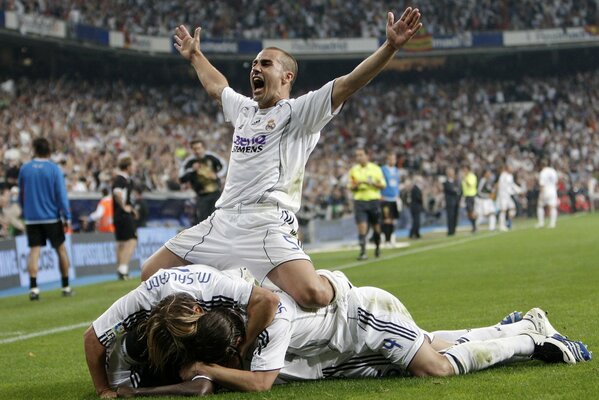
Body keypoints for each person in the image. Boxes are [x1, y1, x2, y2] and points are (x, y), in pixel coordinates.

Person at [140, 7, 423, 309]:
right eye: (253, 64)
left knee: (313, 296)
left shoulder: (299, 112)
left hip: (266, 221)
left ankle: (338, 283)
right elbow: (216, 87)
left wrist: (390, 47)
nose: (255, 69)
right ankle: (232, 295)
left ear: (287, 76)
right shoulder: (245, 109)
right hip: (221, 220)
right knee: (151, 275)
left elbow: (349, 83)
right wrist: (196, 55)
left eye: (265, 63)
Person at [134, 286, 590, 396]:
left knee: (436, 367)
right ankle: (514, 327)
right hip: (339, 351)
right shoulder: (231, 305)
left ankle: (529, 340)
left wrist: (207, 370)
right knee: (429, 343)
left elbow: (260, 383)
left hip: (363, 318)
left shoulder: (266, 320)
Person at [83, 264, 279, 398]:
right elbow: (93, 337)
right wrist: (103, 390)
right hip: (136, 350)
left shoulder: (216, 288)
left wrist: (243, 348)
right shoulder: (143, 300)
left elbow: (268, 301)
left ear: (199, 310)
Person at [18, 137, 72, 300]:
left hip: (32, 218)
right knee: (61, 250)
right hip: (51, 217)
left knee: (34, 251)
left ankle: (33, 288)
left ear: (34, 149)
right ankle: (66, 286)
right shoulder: (54, 169)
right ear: (48, 150)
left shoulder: (25, 169)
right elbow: (61, 195)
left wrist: (25, 210)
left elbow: (21, 194)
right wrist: (67, 215)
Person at [348, 148, 386, 260]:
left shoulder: (376, 169)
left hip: (373, 200)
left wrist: (372, 183)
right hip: (360, 201)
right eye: (357, 155)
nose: (359, 157)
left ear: (367, 156)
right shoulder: (354, 170)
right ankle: (363, 252)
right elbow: (351, 186)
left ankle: (377, 248)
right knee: (362, 226)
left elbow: (383, 184)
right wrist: (358, 184)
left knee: (376, 227)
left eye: (361, 155)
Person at [179, 139, 225, 224]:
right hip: (201, 195)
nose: (197, 151)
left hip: (216, 193)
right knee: (203, 221)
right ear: (192, 150)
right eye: (194, 149)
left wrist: (217, 175)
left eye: (199, 148)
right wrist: (192, 169)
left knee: (217, 220)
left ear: (203, 148)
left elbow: (224, 166)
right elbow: (181, 177)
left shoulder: (212, 157)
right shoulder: (189, 162)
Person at [112, 155, 138, 280]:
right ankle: (123, 268)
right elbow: (117, 193)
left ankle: (121, 270)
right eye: (133, 165)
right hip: (122, 215)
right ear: (128, 167)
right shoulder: (121, 179)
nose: (134, 168)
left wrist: (131, 209)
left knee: (121, 242)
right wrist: (124, 207)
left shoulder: (125, 179)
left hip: (118, 215)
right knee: (132, 240)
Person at [380, 152, 401, 247]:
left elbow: (397, 184)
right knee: (386, 219)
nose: (393, 160)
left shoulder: (396, 170)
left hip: (394, 198)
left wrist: (398, 195)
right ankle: (385, 238)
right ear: (387, 159)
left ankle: (392, 238)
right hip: (385, 198)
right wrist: (380, 194)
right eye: (391, 159)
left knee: (392, 219)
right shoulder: (383, 170)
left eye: (394, 159)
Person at [496, 164, 521, 232]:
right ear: (507, 169)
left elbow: (512, 185)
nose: (512, 169)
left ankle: (508, 223)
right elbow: (500, 185)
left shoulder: (510, 176)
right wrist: (499, 195)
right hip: (503, 195)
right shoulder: (503, 175)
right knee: (503, 210)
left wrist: (519, 190)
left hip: (508, 195)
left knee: (513, 208)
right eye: (511, 168)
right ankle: (501, 225)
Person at [536, 160, 559, 229]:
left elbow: (542, 184)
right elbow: (556, 182)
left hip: (545, 190)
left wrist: (542, 194)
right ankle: (552, 223)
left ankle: (541, 223)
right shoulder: (553, 171)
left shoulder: (542, 172)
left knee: (540, 206)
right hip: (553, 190)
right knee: (553, 207)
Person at [443, 168, 461, 236]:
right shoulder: (446, 183)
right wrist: (456, 190)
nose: (452, 174)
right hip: (450, 203)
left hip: (456, 202)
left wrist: (456, 190)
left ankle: (453, 230)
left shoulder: (455, 182)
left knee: (455, 217)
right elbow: (452, 190)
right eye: (451, 173)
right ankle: (450, 231)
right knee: (450, 217)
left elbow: (458, 190)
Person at [460, 165, 477, 233]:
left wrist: (465, 179)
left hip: (471, 195)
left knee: (471, 211)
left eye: (465, 170)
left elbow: (470, 185)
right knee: (469, 213)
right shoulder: (465, 177)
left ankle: (475, 226)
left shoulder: (471, 176)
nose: (464, 171)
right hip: (466, 196)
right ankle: (474, 226)